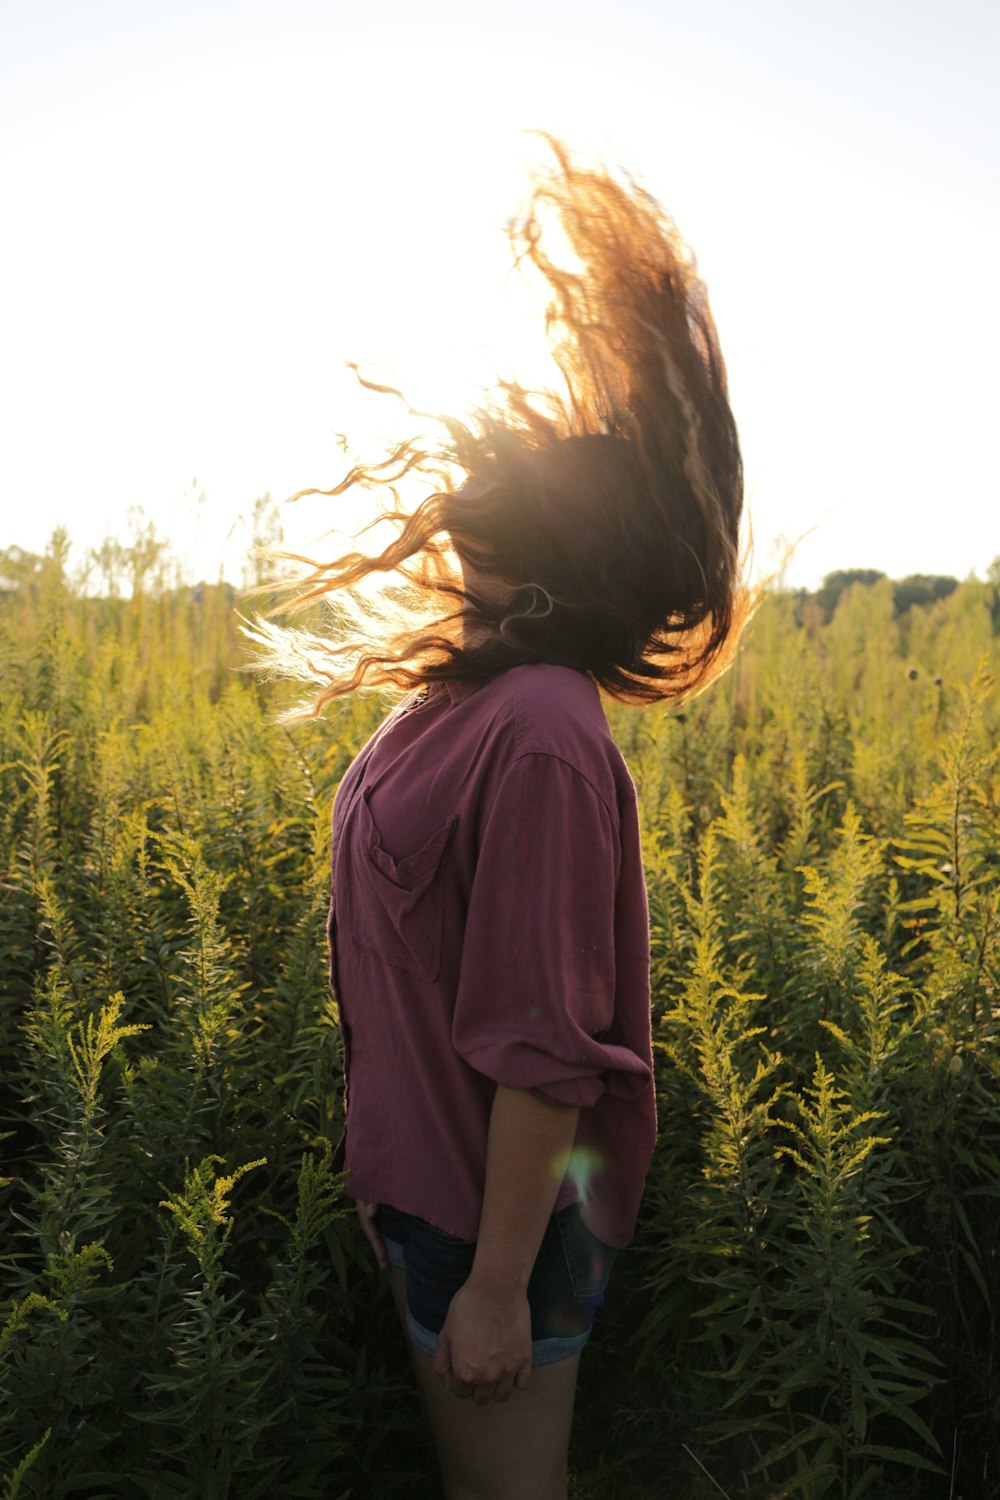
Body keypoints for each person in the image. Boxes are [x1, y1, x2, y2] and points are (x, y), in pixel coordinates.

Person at [248, 134, 748, 1500]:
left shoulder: (538, 729)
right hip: (433, 1198)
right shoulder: (467, 696)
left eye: (525, 478)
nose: (483, 470)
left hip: (491, 1230)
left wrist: (493, 1289)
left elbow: (546, 1056)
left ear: (547, 557)